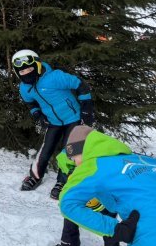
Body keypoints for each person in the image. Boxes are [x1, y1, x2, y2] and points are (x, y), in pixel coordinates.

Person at [11, 49, 94, 197]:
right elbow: (30, 103)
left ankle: (62, 181)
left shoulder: (55, 77)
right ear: (17, 73)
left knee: (70, 150)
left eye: (29, 69)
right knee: (45, 150)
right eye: (22, 71)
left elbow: (80, 85)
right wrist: (37, 114)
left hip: (73, 118)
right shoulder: (24, 88)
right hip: (53, 122)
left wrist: (86, 110)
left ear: (37, 66)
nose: (26, 73)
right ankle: (35, 177)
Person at [54, 150, 122, 246]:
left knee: (109, 225)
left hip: (104, 195)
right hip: (83, 192)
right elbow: (62, 158)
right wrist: (71, 170)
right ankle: (69, 244)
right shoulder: (72, 151)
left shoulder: (105, 155)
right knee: (71, 212)